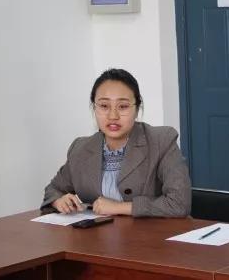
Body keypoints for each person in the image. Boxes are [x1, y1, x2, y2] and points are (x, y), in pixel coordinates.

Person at [41, 68, 191, 217]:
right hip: (98, 232)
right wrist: (59, 201)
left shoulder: (161, 141)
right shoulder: (80, 148)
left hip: (152, 231)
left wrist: (120, 207)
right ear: (94, 108)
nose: (113, 116)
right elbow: (53, 190)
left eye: (123, 106)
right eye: (104, 106)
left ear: (137, 109)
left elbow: (179, 203)